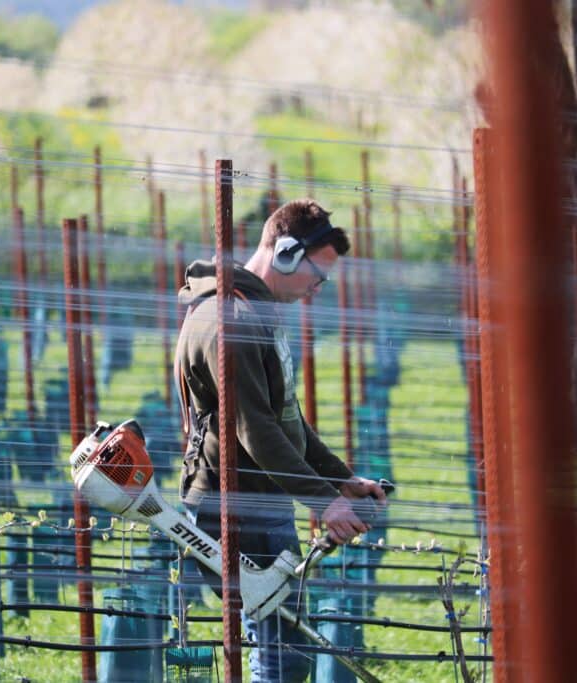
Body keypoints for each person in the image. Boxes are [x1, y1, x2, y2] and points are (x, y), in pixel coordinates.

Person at [175, 198, 387, 682]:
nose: (319, 286)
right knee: (281, 655)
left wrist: (341, 480)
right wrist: (324, 502)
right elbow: (255, 429)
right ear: (286, 254)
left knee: (283, 650)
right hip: (237, 507)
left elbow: (286, 417)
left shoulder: (253, 313)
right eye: (318, 274)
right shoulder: (231, 323)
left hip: (259, 500)